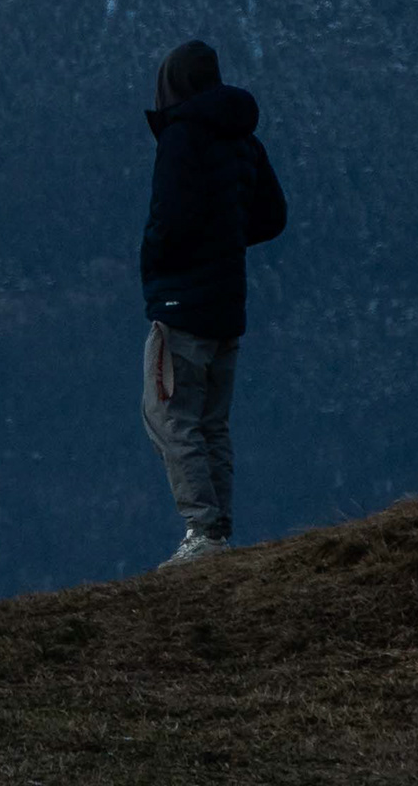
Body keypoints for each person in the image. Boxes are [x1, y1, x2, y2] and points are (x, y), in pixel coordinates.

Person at [139, 37, 285, 568]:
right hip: (228, 304)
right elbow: (272, 217)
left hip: (182, 303)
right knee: (212, 421)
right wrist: (225, 238)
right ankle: (217, 532)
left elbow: (169, 220)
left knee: (168, 415)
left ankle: (203, 532)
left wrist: (155, 260)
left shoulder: (182, 138)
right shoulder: (243, 138)